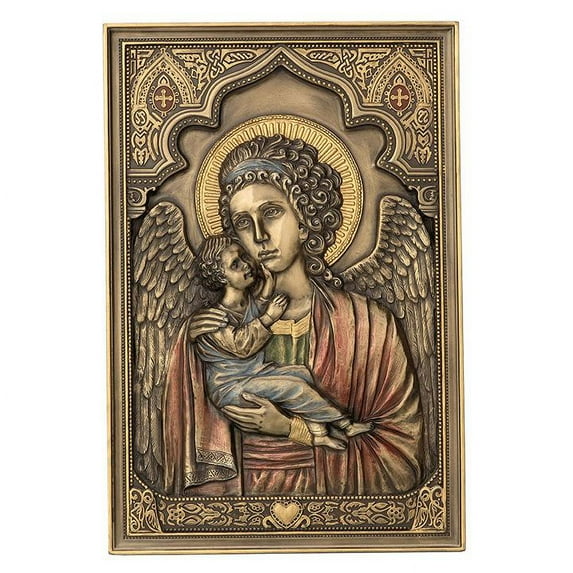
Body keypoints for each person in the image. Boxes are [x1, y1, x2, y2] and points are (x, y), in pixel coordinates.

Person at [163, 134, 425, 496]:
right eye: (243, 222)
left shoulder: (369, 324)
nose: (259, 236)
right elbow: (183, 443)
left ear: (304, 220)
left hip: (331, 496)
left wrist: (290, 429)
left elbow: (401, 452)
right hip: (240, 498)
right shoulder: (214, 323)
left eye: (271, 212)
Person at [194, 234, 373, 451]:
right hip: (230, 387)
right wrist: (270, 317)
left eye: (243, 257)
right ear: (220, 276)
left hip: (253, 374)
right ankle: (345, 424)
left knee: (301, 373)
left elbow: (255, 309)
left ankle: (319, 433)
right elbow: (242, 346)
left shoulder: (246, 303)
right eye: (235, 264)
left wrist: (267, 289)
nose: (246, 264)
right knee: (294, 387)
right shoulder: (215, 319)